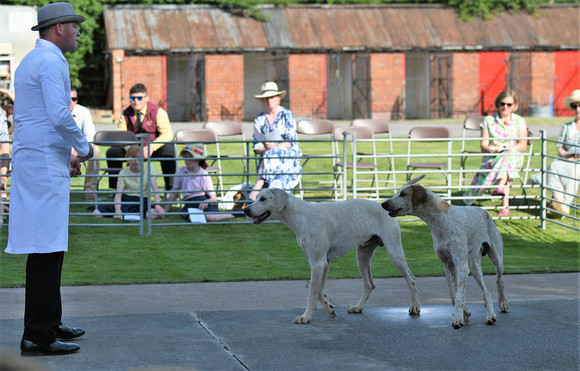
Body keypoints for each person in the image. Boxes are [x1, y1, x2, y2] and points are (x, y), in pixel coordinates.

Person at [4, 2, 94, 356]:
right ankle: (38, 335)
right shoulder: (52, 61)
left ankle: (49, 323)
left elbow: (39, 120)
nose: (77, 32)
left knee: (49, 246)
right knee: (46, 247)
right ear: (58, 28)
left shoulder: (31, 60)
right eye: (74, 26)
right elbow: (59, 116)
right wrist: (84, 148)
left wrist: (66, 155)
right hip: (42, 165)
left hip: (38, 161)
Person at [463, 90, 528, 216]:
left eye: (509, 104)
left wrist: (506, 147)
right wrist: (492, 148)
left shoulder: (519, 121)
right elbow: (483, 146)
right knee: (505, 162)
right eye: (502, 104)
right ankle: (504, 203)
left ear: (514, 105)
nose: (505, 107)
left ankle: (500, 187)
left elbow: (523, 145)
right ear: (498, 104)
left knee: (508, 155)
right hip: (493, 157)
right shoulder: (489, 120)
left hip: (514, 157)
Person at [106, 83, 175, 190]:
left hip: (152, 147)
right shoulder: (125, 113)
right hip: (132, 148)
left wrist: (152, 147)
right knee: (113, 151)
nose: (136, 101)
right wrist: (130, 149)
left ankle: (170, 189)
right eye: (132, 98)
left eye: (139, 98)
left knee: (169, 150)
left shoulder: (158, 112)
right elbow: (121, 135)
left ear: (146, 98)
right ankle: (117, 190)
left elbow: (167, 134)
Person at [529, 89, 580, 217]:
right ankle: (559, 201)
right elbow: (560, 147)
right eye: (575, 106)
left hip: (577, 164)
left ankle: (563, 205)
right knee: (553, 166)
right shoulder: (567, 126)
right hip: (566, 160)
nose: (578, 109)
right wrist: (565, 155)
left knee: (574, 171)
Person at [248, 81, 302, 200]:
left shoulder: (287, 115)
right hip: (267, 157)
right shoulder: (260, 119)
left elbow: (291, 142)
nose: (269, 100)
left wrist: (276, 146)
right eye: (266, 98)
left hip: (288, 155)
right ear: (263, 100)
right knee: (270, 154)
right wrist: (267, 149)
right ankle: (272, 193)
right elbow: (256, 147)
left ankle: (258, 186)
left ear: (278, 98)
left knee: (272, 153)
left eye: (272, 97)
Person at [94, 145, 165, 219]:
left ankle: (139, 214)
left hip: (144, 201)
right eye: (133, 159)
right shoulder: (123, 172)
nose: (136, 161)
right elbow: (118, 194)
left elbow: (155, 188)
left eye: (138, 158)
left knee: (157, 214)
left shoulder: (149, 167)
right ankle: (123, 214)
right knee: (96, 212)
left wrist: (157, 205)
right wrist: (118, 211)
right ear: (127, 159)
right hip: (127, 201)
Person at [165, 145, 233, 221]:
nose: (187, 161)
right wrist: (165, 211)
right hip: (189, 203)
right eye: (185, 158)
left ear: (198, 160)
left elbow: (214, 198)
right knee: (192, 218)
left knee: (210, 217)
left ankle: (231, 215)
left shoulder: (204, 174)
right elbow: (174, 192)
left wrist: (207, 201)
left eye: (191, 158)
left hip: (202, 201)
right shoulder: (180, 172)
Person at [70, 86, 100, 201]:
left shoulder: (83, 111)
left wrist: (77, 149)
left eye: (74, 99)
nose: (71, 102)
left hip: (80, 148)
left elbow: (90, 135)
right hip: (61, 148)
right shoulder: (56, 111)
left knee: (95, 151)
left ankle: (90, 190)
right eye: (68, 98)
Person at [0, 87, 14, 206]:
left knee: (3, 176)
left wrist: (7, 92)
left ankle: (3, 199)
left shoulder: (4, 109)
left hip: (4, 143)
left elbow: (21, 107)